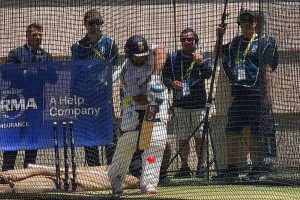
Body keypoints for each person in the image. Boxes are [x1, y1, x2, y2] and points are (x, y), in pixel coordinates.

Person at [216, 10, 278, 179]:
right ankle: (232, 168)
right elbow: (218, 53)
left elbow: (268, 69)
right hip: (238, 94)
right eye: (242, 22)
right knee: (232, 130)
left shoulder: (265, 42)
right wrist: (219, 36)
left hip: (256, 94)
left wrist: (268, 95)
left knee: (255, 132)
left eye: (249, 22)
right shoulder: (235, 43)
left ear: (256, 24)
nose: (245, 25)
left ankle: (257, 168)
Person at [108, 35, 168, 195]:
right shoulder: (126, 72)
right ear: (129, 55)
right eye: (137, 56)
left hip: (154, 104)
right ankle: (116, 180)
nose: (141, 58)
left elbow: (162, 50)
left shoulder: (150, 53)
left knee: (156, 140)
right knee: (128, 142)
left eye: (143, 55)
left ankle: (148, 183)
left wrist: (155, 77)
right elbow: (138, 98)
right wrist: (151, 100)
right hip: (135, 106)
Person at [2, 23, 56, 171]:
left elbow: (54, 78)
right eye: (34, 35)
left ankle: (27, 173)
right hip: (16, 104)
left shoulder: (46, 56)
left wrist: (40, 72)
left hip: (36, 105)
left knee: (32, 140)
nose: (38, 37)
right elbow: (6, 74)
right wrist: (26, 72)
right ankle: (7, 174)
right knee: (13, 139)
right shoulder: (16, 53)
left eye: (40, 35)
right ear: (27, 36)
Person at [162, 28, 212, 178]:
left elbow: (208, 74)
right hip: (180, 104)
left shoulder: (203, 56)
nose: (186, 42)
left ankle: (201, 166)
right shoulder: (173, 58)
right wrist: (172, 83)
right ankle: (184, 166)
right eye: (183, 40)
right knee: (182, 137)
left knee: (200, 137)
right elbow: (165, 78)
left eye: (189, 39)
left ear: (196, 41)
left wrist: (200, 62)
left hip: (199, 104)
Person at [71, 8, 118, 166]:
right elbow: (76, 73)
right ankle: (93, 169)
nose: (95, 26)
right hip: (86, 98)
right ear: (85, 24)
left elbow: (115, 69)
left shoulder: (110, 44)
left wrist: (106, 86)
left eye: (98, 23)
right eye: (91, 23)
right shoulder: (77, 47)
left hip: (104, 97)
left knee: (110, 133)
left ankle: (112, 168)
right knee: (89, 134)